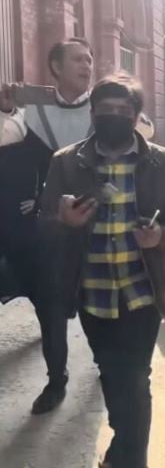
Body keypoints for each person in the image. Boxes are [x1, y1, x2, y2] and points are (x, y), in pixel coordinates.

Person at [37, 73, 165, 468]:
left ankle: (130, 458)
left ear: (137, 116)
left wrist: (160, 236)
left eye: (123, 110)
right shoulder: (65, 163)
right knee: (110, 371)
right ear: (92, 114)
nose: (113, 116)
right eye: (105, 109)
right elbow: (42, 223)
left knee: (136, 378)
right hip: (91, 292)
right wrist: (64, 222)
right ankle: (122, 448)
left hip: (143, 291)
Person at [0, 37, 95, 415]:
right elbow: (7, 140)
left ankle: (105, 364)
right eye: (78, 59)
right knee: (51, 306)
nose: (87, 65)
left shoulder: (104, 108)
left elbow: (145, 134)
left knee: (97, 302)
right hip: (52, 229)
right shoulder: (32, 115)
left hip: (98, 225)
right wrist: (5, 109)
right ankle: (57, 380)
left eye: (89, 59)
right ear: (55, 67)